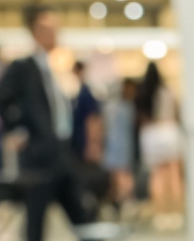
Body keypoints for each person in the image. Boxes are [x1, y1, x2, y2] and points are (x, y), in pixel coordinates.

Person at [0, 6, 127, 241]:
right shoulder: (24, 67)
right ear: (34, 32)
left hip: (62, 154)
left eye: (56, 29)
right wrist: (18, 130)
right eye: (48, 29)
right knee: (37, 221)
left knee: (80, 212)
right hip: (39, 158)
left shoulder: (56, 68)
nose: (54, 34)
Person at [139, 64, 185, 230]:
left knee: (157, 176)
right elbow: (177, 112)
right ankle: (176, 213)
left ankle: (160, 214)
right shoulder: (167, 91)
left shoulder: (145, 93)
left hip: (153, 135)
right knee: (173, 175)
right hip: (169, 132)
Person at [102, 77, 139, 205]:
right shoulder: (114, 107)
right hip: (115, 147)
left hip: (123, 147)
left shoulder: (128, 107)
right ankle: (120, 200)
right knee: (117, 176)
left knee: (122, 175)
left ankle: (124, 200)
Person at [68, 59, 103, 163]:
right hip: (77, 140)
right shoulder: (77, 92)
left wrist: (92, 143)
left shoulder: (86, 93)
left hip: (84, 140)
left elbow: (92, 119)